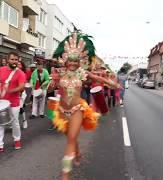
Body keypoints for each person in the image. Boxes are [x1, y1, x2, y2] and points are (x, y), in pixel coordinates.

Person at [49, 33, 120, 180]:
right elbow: (50, 88)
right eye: (71, 60)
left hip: (77, 110)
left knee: (70, 140)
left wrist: (112, 83)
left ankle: (65, 175)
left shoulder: (83, 73)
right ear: (66, 60)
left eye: (76, 60)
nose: (73, 63)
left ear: (80, 61)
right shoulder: (60, 73)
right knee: (70, 138)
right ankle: (78, 153)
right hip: (61, 110)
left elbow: (98, 78)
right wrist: (51, 84)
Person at [0, 52, 26, 155]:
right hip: (2, 101)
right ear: (8, 60)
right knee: (0, 123)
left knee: (15, 123)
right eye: (12, 59)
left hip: (14, 102)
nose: (14, 61)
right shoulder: (1, 70)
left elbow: (22, 87)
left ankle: (17, 139)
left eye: (16, 60)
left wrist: (11, 90)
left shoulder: (20, 73)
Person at [18, 60, 28, 129]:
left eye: (19, 64)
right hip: (14, 94)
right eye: (17, 64)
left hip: (21, 93)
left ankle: (24, 121)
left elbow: (23, 85)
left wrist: (20, 94)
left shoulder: (23, 74)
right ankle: (14, 123)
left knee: (20, 108)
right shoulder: (13, 73)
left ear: (22, 66)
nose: (18, 66)